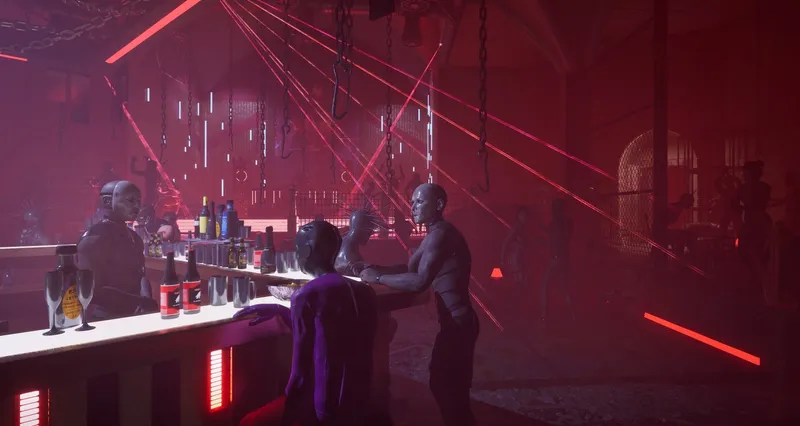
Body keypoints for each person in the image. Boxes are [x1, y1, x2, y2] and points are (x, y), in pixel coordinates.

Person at [235, 221, 379, 426]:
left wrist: (288, 415)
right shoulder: (365, 292)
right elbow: (332, 333)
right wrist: (282, 311)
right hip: (360, 404)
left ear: (306, 251)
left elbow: (300, 376)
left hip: (324, 409)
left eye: (297, 249)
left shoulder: (307, 295)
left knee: (249, 422)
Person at [360, 183, 478, 426]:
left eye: (420, 201)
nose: (412, 207)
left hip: (459, 323)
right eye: (412, 202)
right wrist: (373, 269)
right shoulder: (434, 235)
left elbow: (419, 281)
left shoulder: (442, 235)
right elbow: (408, 268)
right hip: (455, 323)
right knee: (444, 385)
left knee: (450, 390)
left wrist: (378, 278)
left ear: (439, 204)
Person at [77, 181, 158, 318]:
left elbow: (141, 275)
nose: (137, 206)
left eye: (138, 201)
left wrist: (146, 302)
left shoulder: (134, 238)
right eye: (130, 200)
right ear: (107, 201)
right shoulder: (94, 239)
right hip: (104, 317)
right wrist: (140, 303)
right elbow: (92, 290)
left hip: (135, 315)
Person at [540, 198, 575, 323]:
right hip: (565, 259)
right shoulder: (568, 223)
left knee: (545, 286)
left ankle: (544, 317)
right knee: (565, 289)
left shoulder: (554, 224)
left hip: (556, 260)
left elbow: (553, 241)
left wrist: (545, 233)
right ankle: (573, 317)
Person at [335, 204, 386, 276]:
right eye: (370, 231)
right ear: (365, 230)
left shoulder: (341, 242)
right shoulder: (353, 263)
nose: (370, 234)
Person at [501, 207, 531, 287]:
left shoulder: (522, 228)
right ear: (518, 216)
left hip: (520, 257)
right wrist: (502, 259)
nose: (523, 217)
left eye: (525, 215)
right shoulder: (516, 227)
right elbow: (506, 242)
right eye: (521, 215)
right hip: (515, 257)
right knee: (519, 280)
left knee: (522, 279)